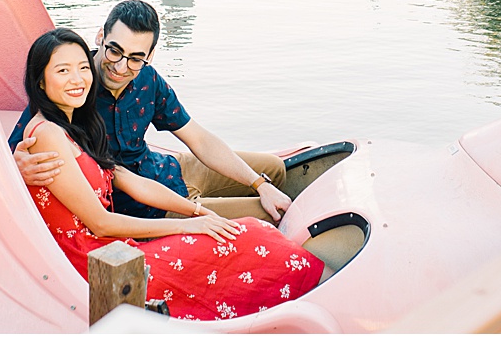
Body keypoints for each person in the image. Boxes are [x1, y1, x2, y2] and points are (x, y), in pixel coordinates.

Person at [21, 27, 327, 320]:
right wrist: (189, 227)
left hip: (122, 232)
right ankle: (323, 295)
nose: (78, 79)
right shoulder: (47, 132)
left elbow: (136, 182)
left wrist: (199, 212)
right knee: (252, 233)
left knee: (246, 219)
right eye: (62, 71)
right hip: (95, 260)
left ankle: (313, 291)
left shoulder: (81, 125)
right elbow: (100, 223)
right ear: (40, 81)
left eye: (82, 69)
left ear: (149, 56)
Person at [10, 0, 291, 222]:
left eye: (135, 58)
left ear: (150, 56)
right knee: (269, 215)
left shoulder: (148, 80)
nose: (121, 67)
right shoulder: (74, 88)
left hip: (167, 170)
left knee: (274, 170)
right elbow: (18, 146)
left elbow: (199, 139)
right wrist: (18, 166)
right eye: (114, 51)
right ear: (100, 37)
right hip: (147, 207)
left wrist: (258, 184)